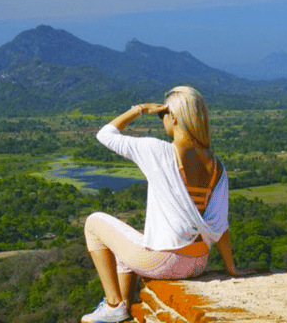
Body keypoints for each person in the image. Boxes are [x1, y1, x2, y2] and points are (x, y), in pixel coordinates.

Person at [80, 86, 242, 323]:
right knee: (128, 243)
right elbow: (220, 223)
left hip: (166, 263)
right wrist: (231, 267)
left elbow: (105, 134)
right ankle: (125, 308)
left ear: (174, 118)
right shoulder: (215, 164)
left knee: (93, 223)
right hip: (198, 262)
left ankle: (114, 304)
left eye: (162, 114)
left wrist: (139, 110)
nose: (161, 119)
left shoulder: (157, 151)